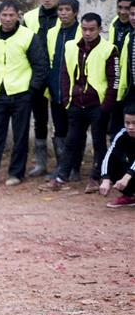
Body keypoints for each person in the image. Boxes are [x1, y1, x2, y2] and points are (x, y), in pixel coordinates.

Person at [0, 1, 48, 187]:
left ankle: (16, 174)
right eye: (4, 15)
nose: (8, 19)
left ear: (17, 16)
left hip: (21, 94)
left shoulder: (28, 36)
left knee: (20, 137)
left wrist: (31, 90)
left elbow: (40, 66)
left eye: (12, 15)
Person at [41, 13, 119, 193]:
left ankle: (95, 177)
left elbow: (114, 80)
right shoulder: (71, 47)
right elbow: (65, 74)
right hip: (76, 103)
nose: (87, 33)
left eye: (92, 29)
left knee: (99, 142)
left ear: (100, 29)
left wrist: (105, 106)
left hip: (96, 105)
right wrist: (68, 100)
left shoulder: (108, 49)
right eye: (84, 29)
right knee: (71, 141)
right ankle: (61, 176)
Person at [22, 0, 62, 178]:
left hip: (58, 75)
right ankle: (41, 163)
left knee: (60, 119)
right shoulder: (29, 17)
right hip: (36, 74)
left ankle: (63, 165)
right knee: (39, 119)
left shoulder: (65, 15)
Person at [38, 0, 81, 179]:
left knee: (76, 130)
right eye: (60, 10)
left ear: (75, 12)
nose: (63, 13)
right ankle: (61, 168)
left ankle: (75, 169)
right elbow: (49, 60)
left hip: (76, 92)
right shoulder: (52, 33)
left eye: (67, 10)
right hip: (56, 90)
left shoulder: (81, 32)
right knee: (59, 130)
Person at [98, 103, 135, 207]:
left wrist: (127, 177)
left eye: (134, 123)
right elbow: (108, 157)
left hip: (132, 171)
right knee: (115, 162)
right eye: (127, 123)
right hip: (132, 171)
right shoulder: (122, 135)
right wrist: (105, 179)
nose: (130, 127)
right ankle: (130, 196)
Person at [108, 0, 135, 134]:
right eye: (120, 8)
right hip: (116, 82)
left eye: (127, 9)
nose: (123, 12)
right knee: (115, 127)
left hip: (128, 85)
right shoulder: (114, 24)